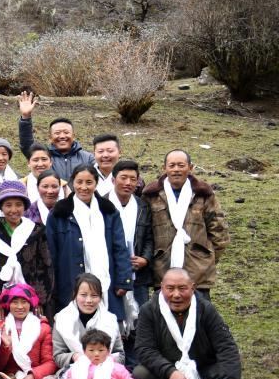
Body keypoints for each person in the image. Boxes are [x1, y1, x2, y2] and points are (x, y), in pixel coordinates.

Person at [132, 268, 241, 379]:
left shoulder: (206, 309)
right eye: (170, 288)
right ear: (161, 287)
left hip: (201, 372)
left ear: (193, 287)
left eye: (182, 288)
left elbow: (227, 348)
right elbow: (144, 349)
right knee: (141, 373)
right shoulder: (149, 310)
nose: (176, 295)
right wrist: (170, 372)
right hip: (166, 376)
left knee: (221, 370)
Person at [46, 165, 133, 323]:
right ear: (72, 183)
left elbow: (120, 248)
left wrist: (123, 280)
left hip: (107, 280)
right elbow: (51, 253)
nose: (84, 187)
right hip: (69, 279)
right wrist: (53, 287)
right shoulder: (59, 213)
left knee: (106, 327)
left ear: (96, 183)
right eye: (79, 182)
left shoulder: (108, 211)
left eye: (89, 182)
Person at [141, 149, 229, 296]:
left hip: (198, 273)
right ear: (164, 168)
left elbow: (219, 231)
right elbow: (145, 233)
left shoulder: (203, 194)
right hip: (162, 269)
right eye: (172, 165)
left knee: (199, 310)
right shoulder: (151, 195)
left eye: (181, 165)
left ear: (190, 167)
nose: (176, 169)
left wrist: (207, 258)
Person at [0, 180, 53, 327]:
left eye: (18, 205)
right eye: (8, 205)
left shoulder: (36, 231)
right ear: (1, 207)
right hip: (1, 298)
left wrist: (38, 300)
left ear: (25, 207)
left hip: (30, 298)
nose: (14, 210)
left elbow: (45, 266)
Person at [107, 160, 155, 347]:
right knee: (113, 320)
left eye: (132, 179)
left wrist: (145, 258)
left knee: (141, 321)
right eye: (123, 178)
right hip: (111, 274)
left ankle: (139, 358)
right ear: (113, 180)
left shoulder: (142, 206)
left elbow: (150, 236)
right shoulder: (102, 204)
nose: (128, 183)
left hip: (138, 274)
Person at [52, 274, 124, 378]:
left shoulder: (110, 320)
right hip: (73, 373)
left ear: (100, 297)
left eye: (94, 295)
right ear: (75, 295)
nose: (89, 300)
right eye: (83, 295)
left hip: (107, 373)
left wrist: (105, 360)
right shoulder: (62, 319)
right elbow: (58, 355)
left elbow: (120, 354)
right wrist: (75, 357)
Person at [17, 91, 95, 180]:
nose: (62, 136)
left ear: (74, 136)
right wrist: (26, 117)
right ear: (50, 137)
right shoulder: (44, 157)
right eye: (57, 133)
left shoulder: (87, 158)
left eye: (66, 132)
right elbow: (27, 145)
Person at [19, 143, 68, 209]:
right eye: (35, 160)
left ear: (51, 162)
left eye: (44, 159)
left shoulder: (63, 186)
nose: (40, 164)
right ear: (28, 163)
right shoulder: (20, 186)